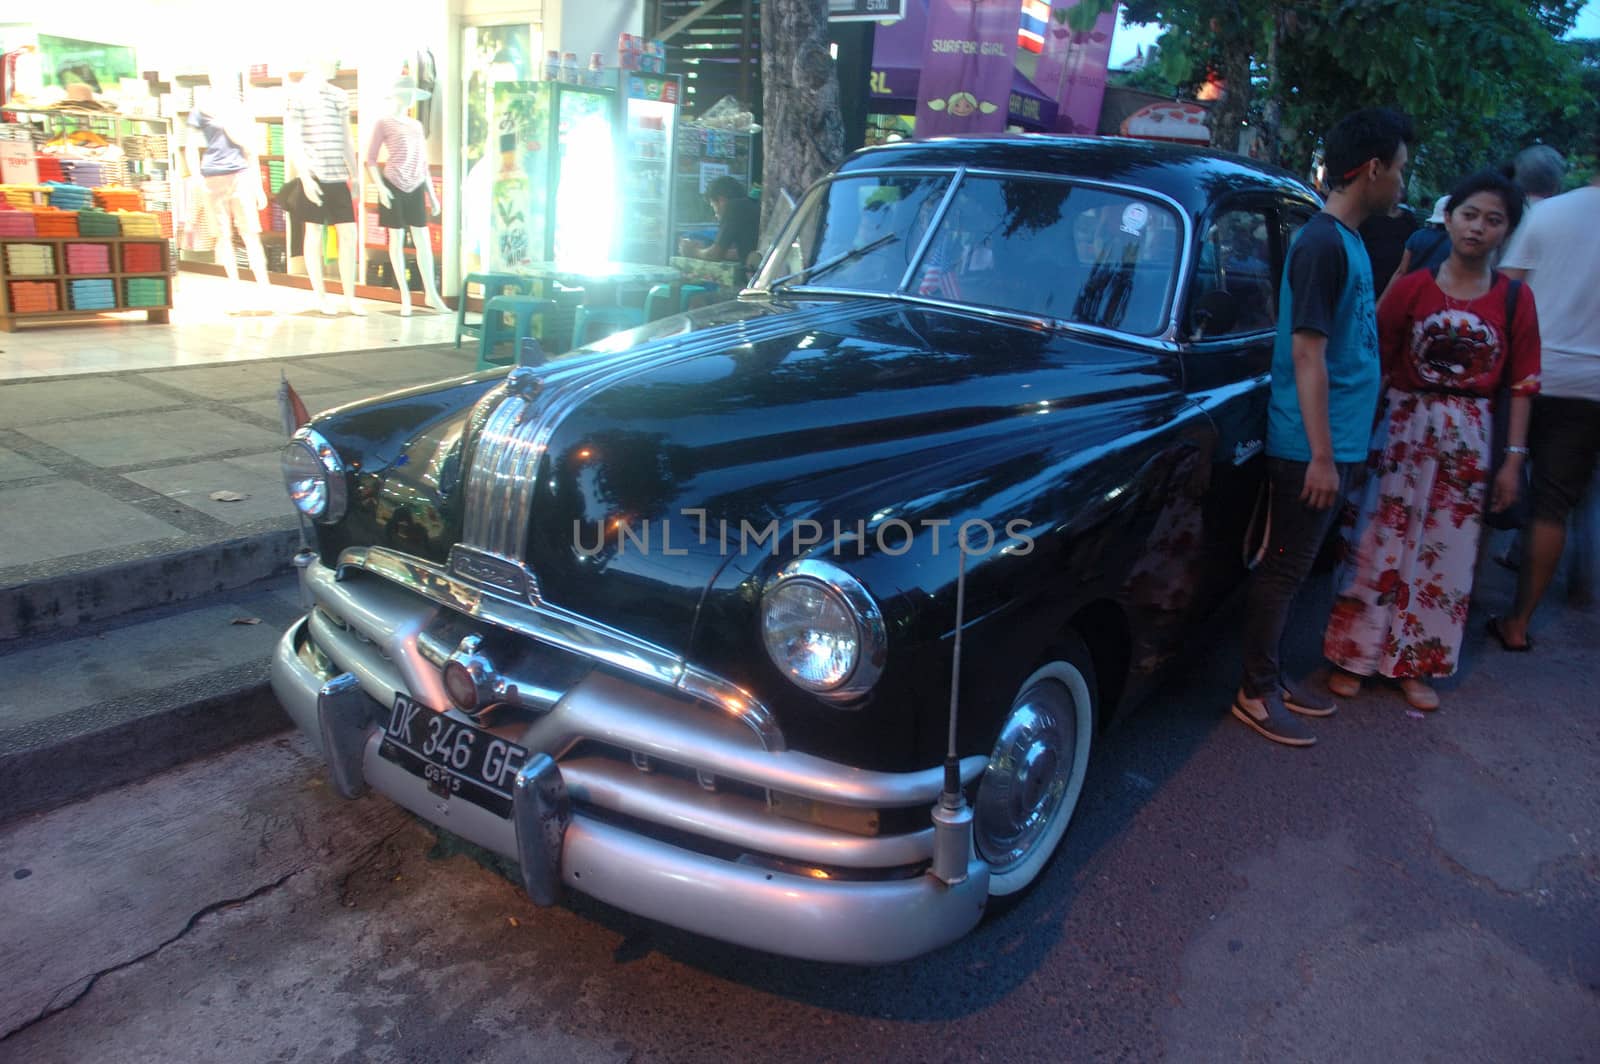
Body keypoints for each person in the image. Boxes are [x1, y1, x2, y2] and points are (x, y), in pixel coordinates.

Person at [1324, 171, 1539, 710]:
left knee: (1446, 551)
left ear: (1506, 232)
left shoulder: (1516, 300)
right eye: (1470, 215)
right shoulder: (1414, 287)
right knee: (1376, 536)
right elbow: (1375, 356)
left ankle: (1414, 664)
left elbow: (1523, 383)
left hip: (1470, 436)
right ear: (1450, 217)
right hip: (1400, 426)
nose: (1478, 228)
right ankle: (1352, 654)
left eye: (1494, 220)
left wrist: (1513, 460)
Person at [1233, 107, 1412, 747]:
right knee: (1282, 571)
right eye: (1399, 171)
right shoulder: (1318, 244)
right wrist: (1320, 455)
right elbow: (1306, 354)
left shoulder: (1349, 242)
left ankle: (1270, 677)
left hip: (1332, 440)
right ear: (1371, 169)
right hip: (1310, 446)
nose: (1402, 185)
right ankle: (1253, 692)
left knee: (1294, 568)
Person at [1489, 148, 1600, 649]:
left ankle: (1448, 600)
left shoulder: (1548, 214)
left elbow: (1505, 294)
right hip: (1590, 387)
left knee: (1484, 482)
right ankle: (1518, 623)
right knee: (1553, 504)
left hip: (1525, 372)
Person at [679, 176, 760, 268]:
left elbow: (715, 255)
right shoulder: (750, 205)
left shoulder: (733, 207)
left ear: (721, 200)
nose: (715, 214)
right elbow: (741, 253)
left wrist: (693, 252)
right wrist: (704, 249)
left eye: (713, 206)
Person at [1383, 194, 1451, 298]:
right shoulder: (1458, 245)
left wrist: (1383, 300)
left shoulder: (1417, 236)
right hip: (1439, 297)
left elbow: (1401, 271)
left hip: (1412, 293)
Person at [1360, 199, 1418, 290]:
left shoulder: (1408, 218)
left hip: (1396, 273)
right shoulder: (1370, 215)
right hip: (1370, 271)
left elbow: (1413, 244)